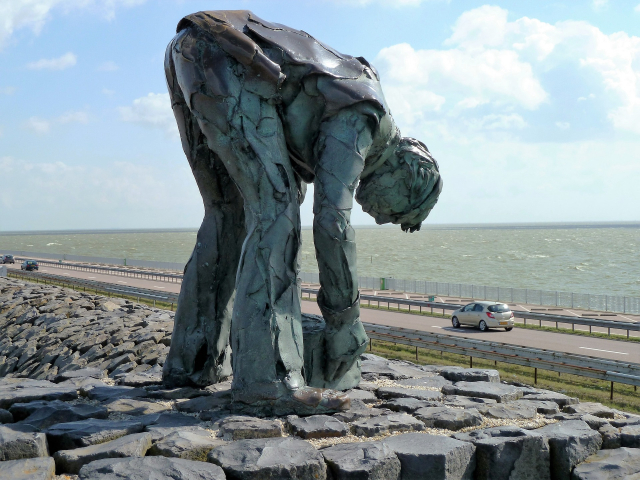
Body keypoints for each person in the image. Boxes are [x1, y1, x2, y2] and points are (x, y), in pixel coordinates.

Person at [162, 10, 443, 413]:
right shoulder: (366, 117)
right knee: (276, 211)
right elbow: (332, 222)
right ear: (406, 177)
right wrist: (346, 321)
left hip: (191, 48)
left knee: (228, 214)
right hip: (230, 54)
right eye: (400, 213)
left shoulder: (351, 104)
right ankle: (268, 383)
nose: (384, 219)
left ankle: (191, 364)